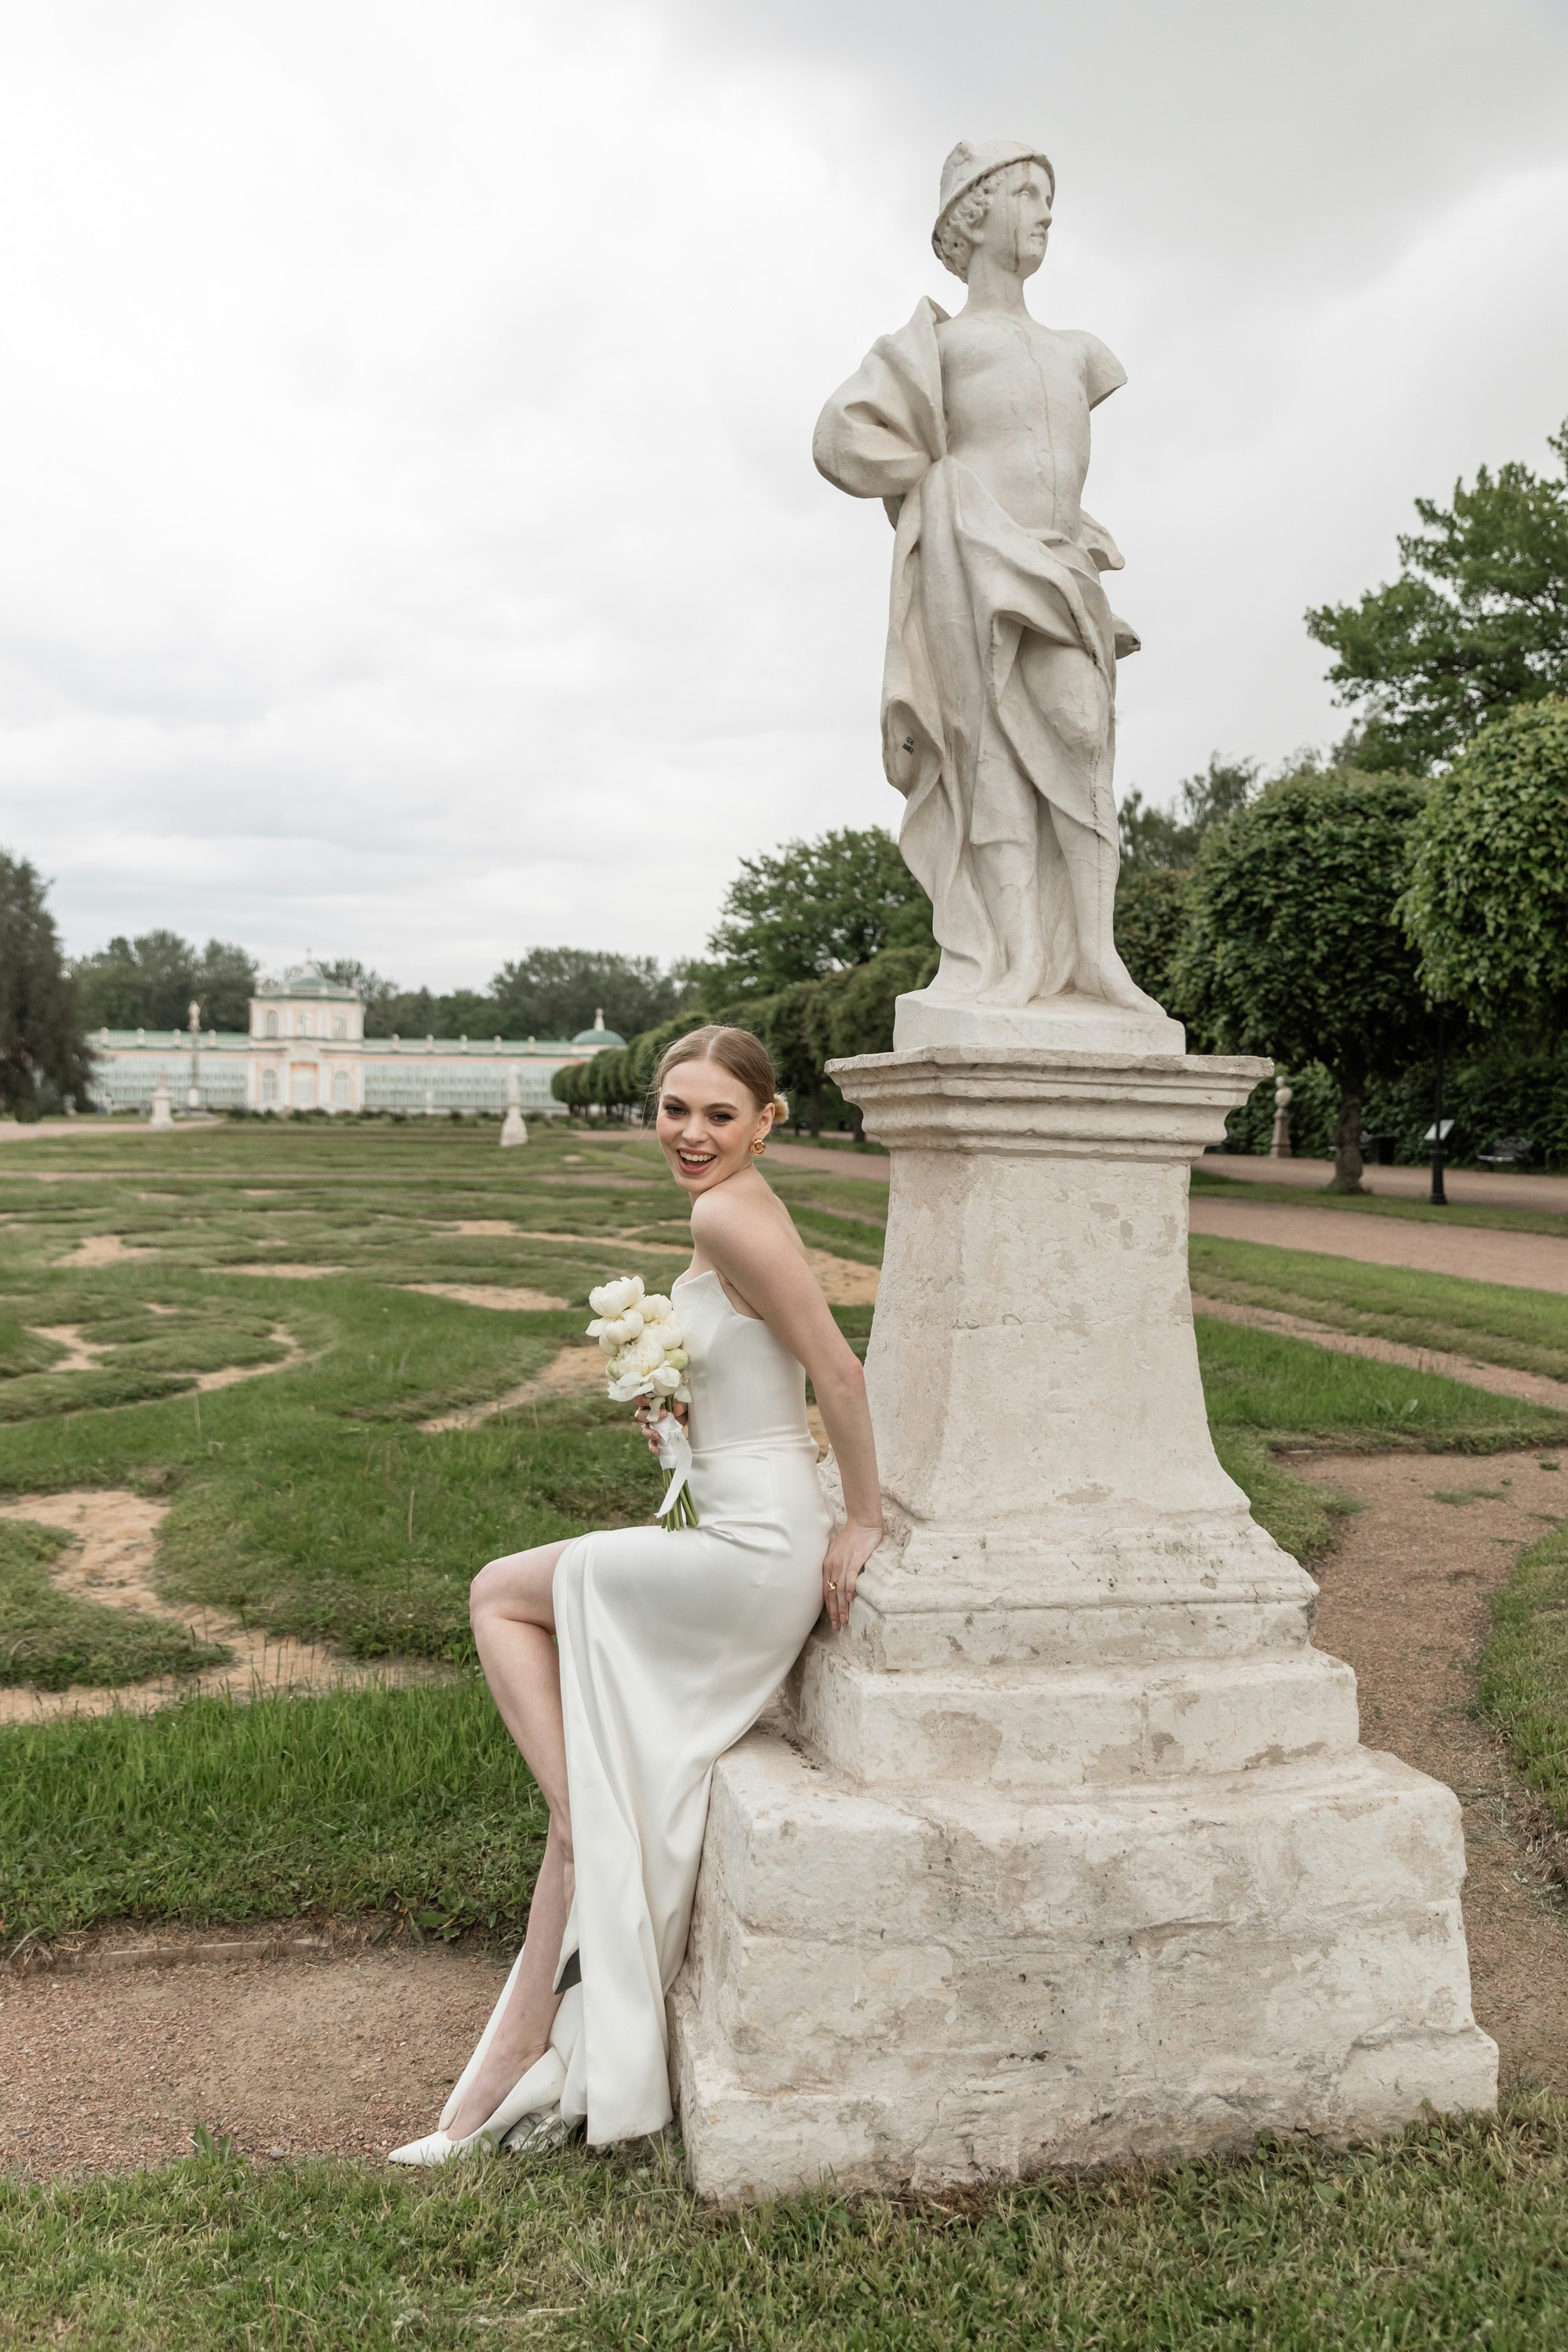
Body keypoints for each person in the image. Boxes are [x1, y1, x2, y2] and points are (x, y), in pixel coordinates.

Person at [388, 1025, 884, 2161]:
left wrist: (862, 1518)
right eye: (674, 1110)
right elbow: (761, 1384)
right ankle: (495, 2077)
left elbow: (838, 1371)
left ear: (768, 1120)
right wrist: (679, 1427)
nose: (691, 1135)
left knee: (497, 1597)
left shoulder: (725, 1215)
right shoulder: (742, 1212)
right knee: (526, 1628)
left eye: (718, 1114)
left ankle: (575, 1819)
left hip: (756, 1549)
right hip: (733, 1520)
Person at [813, 138, 1162, 1019]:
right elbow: (840, 439)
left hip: (1059, 567)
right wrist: (941, 494)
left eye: (1049, 198)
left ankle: (1096, 956)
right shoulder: (935, 345)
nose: (1046, 214)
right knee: (987, 761)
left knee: (1083, 736)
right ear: (974, 214)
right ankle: (1018, 958)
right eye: (1028, 194)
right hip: (971, 568)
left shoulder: (1081, 353)